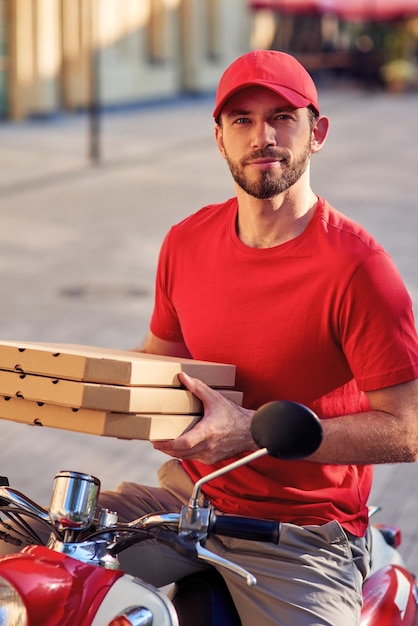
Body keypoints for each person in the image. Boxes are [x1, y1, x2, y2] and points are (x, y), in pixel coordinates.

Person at [3, 50, 418, 625]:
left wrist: (249, 433)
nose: (262, 136)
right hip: (184, 504)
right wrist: (53, 387)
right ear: (219, 138)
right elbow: (160, 366)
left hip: (297, 534)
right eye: (242, 120)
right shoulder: (186, 241)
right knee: (28, 571)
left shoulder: (360, 268)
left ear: (316, 133)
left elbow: (407, 429)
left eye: (282, 117)